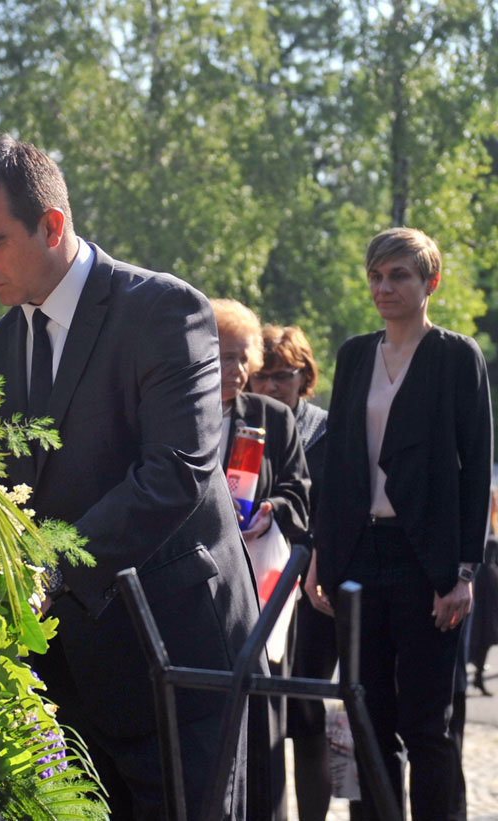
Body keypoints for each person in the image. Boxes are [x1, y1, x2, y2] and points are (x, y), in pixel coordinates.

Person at [0, 137, 262, 820]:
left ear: (52, 225)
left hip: (175, 661)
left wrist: (46, 568)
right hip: (71, 680)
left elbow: (175, 472)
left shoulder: (163, 309)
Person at [306, 227, 491, 821]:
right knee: (363, 717)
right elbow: (337, 465)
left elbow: (474, 470)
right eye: (376, 276)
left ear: (430, 281)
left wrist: (463, 571)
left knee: (427, 724)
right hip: (357, 553)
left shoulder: (456, 356)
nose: (384, 287)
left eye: (399, 275)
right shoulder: (354, 354)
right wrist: (322, 552)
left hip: (426, 558)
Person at [212, 300, 311, 821]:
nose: (235, 370)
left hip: (260, 584)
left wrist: (273, 510)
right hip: (199, 585)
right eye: (223, 357)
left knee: (263, 709)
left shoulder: (272, 417)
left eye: (241, 357)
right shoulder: (180, 409)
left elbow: (299, 490)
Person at [249, 325, 342, 821]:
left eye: (281, 376)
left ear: (305, 377)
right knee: (257, 710)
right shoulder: (242, 426)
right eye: (260, 376)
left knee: (305, 712)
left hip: (310, 583)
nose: (269, 387)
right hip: (253, 581)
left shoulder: (329, 431)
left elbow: (341, 508)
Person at [468, 486, 498, 694]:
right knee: (478, 630)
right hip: (480, 583)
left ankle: (478, 672)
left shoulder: (494, 524)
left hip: (491, 587)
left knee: (488, 632)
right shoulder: (480, 523)